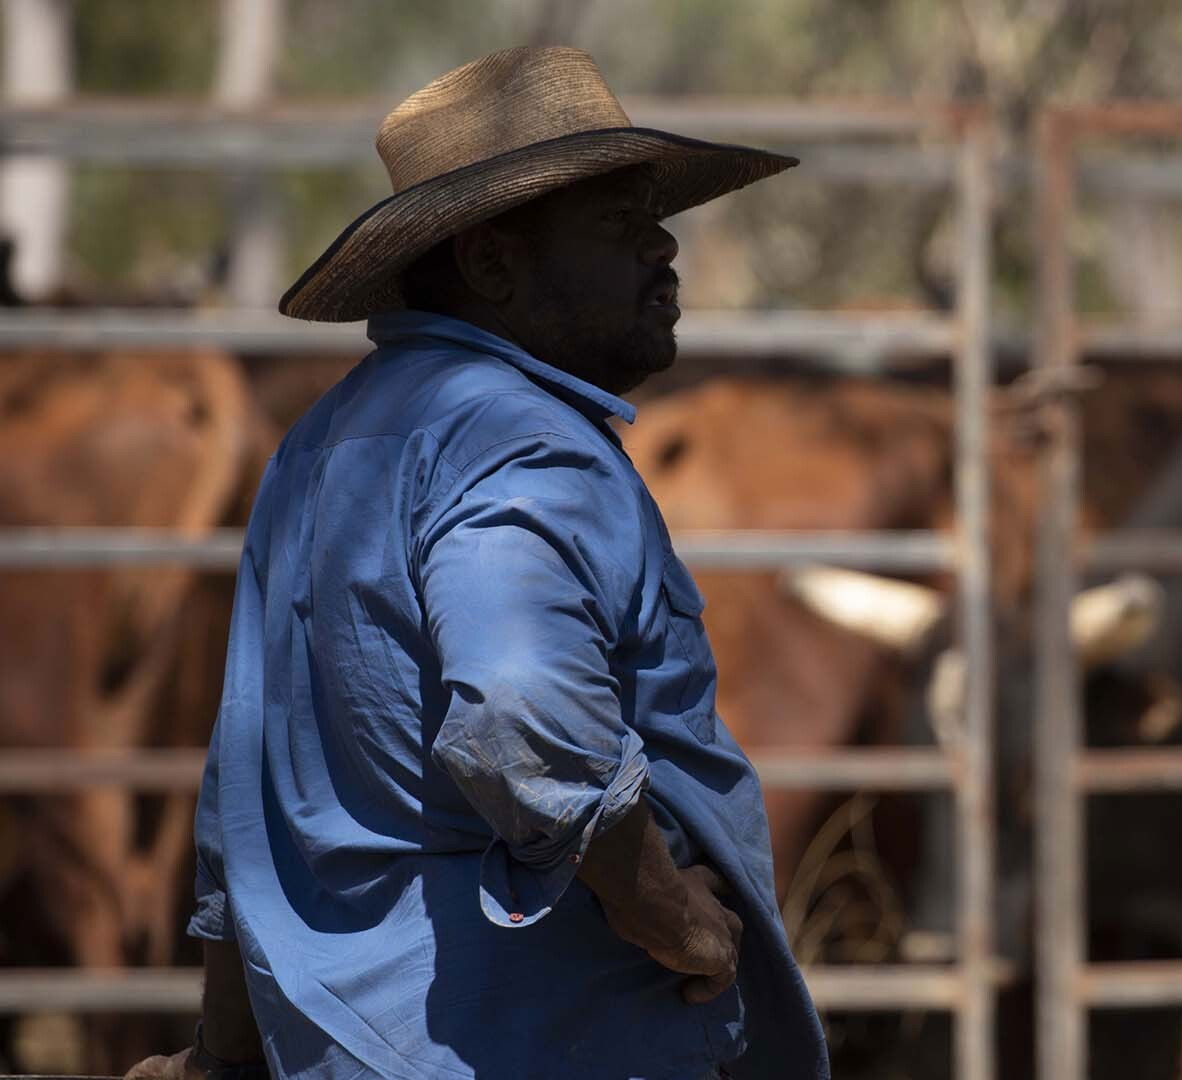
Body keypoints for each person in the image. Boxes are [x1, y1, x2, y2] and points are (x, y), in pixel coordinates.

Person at [125, 45, 825, 1080]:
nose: (663, 249)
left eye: (656, 219)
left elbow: (250, 792)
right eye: (618, 224)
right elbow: (517, 701)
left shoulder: (323, 443)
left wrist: (223, 1057)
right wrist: (678, 918)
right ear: (496, 264)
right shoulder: (525, 443)